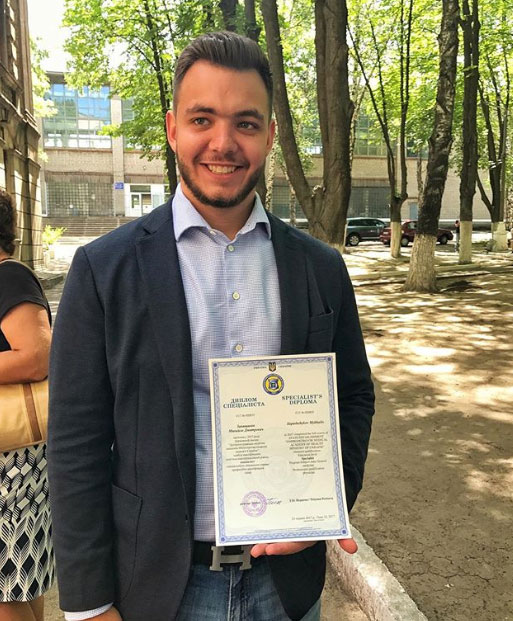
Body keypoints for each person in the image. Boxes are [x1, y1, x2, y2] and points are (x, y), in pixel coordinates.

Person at [48, 31, 374, 621]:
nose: (223, 143)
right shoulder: (103, 270)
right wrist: (88, 604)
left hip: (287, 587)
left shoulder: (320, 268)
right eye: (203, 119)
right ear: (174, 129)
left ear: (269, 136)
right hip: (157, 587)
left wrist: (327, 500)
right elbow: (75, 440)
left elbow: (352, 397)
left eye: (245, 123)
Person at [0, 188, 54, 621]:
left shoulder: (10, 277)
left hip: (13, 457)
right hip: (11, 453)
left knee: (8, 588)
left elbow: (36, 356)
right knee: (17, 581)